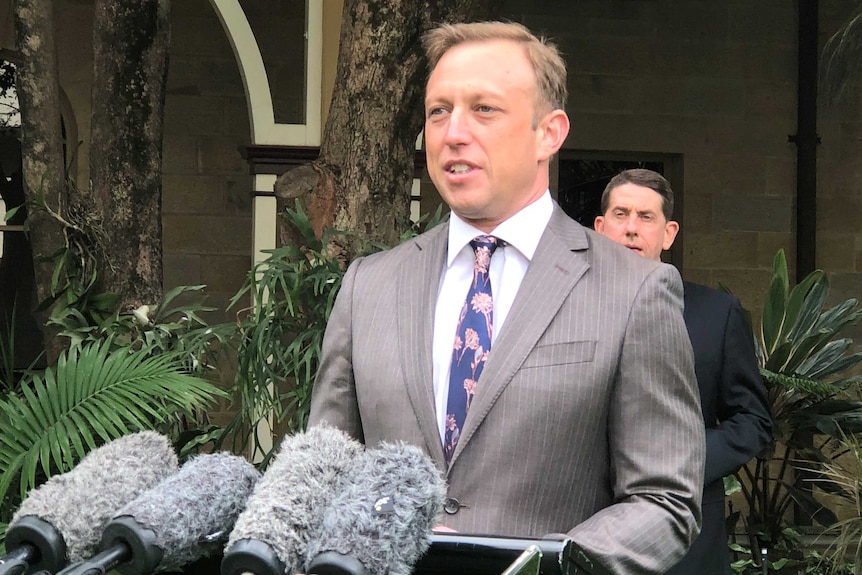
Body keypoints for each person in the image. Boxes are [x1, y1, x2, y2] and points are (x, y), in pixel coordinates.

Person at [309, 21, 705, 574]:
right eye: (439, 110)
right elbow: (323, 470)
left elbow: (665, 501)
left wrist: (541, 566)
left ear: (550, 132)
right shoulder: (368, 284)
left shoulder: (634, 289)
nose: (453, 132)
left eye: (484, 109)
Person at [594, 168, 773, 575]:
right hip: (581, 524)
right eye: (621, 215)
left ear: (669, 233)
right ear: (600, 228)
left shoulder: (716, 314)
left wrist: (683, 462)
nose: (632, 229)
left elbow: (752, 421)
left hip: (688, 538)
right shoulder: (564, 311)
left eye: (646, 217)